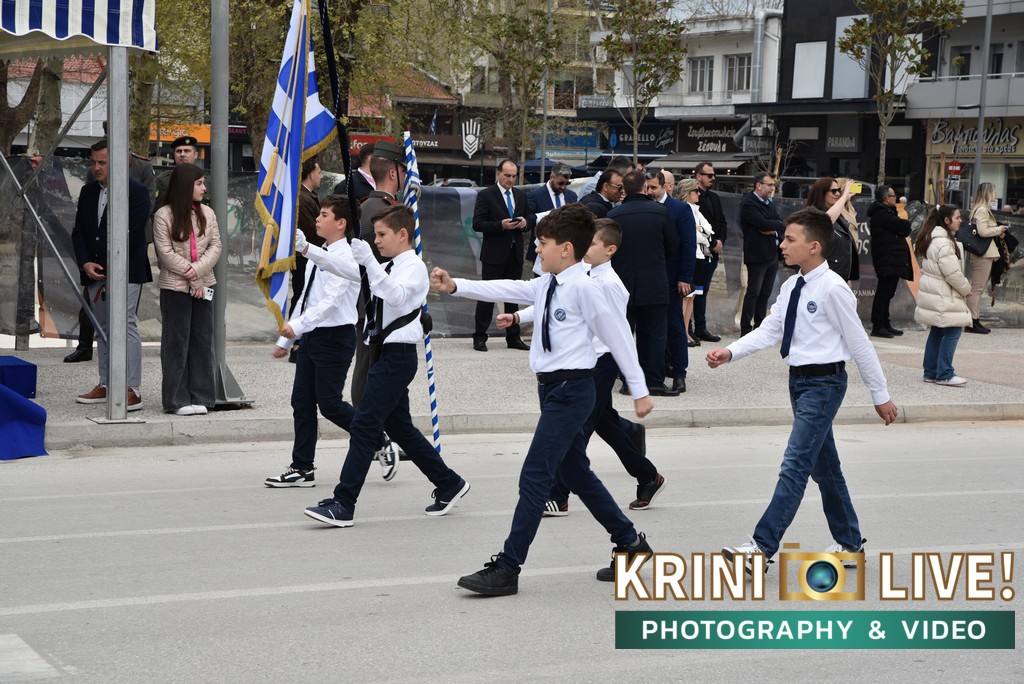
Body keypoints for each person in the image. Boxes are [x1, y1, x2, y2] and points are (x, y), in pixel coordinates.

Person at [430, 203, 654, 596]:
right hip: (550, 389)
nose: (536, 249)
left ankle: (508, 567)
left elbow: (619, 337)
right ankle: (631, 543)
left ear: (566, 249)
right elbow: (506, 287)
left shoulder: (587, 288)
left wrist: (639, 390)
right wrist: (455, 286)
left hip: (573, 390)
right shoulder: (549, 283)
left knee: (535, 476)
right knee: (576, 473)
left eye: (542, 243)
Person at [708, 207, 899, 575]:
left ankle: (760, 548)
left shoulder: (834, 288)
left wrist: (880, 394)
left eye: (789, 239)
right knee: (825, 469)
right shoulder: (792, 285)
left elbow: (859, 343)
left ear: (814, 247)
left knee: (795, 465)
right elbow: (770, 330)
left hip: (825, 384)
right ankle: (849, 543)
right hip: (799, 382)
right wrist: (730, 352)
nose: (782, 245)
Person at [300, 205, 469, 527]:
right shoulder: (388, 266)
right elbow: (346, 270)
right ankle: (449, 483)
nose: (376, 241)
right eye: (374, 235)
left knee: (364, 426)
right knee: (401, 428)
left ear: (402, 234)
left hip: (398, 357)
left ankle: (344, 503)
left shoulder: (412, 267)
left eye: (381, 234)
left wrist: (368, 264)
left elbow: (395, 297)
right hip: (384, 355)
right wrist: (308, 250)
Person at [508, 218, 662, 516]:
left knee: (575, 432)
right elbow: (549, 301)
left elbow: (617, 333)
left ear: (610, 250)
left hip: (601, 363)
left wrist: (636, 384)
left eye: (592, 243)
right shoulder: (583, 275)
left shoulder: (609, 284)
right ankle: (647, 475)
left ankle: (558, 495)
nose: (586, 248)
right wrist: (518, 317)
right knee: (602, 423)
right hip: (585, 362)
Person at [265, 195, 363, 486]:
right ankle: (302, 467)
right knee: (301, 402)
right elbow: (306, 298)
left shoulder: (347, 257)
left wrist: (298, 326)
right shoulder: (320, 252)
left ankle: (376, 436)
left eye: (324, 215)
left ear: (341, 223)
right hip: (313, 336)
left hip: (335, 336)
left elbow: (330, 303)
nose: (317, 219)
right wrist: (287, 339)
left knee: (330, 404)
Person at [72, 140, 152, 411]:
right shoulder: (87, 192)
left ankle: (132, 388)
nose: (96, 167)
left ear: (116, 163)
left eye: (102, 162)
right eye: (93, 162)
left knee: (126, 324)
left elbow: (132, 233)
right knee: (102, 327)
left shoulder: (136, 192)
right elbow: (79, 232)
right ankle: (107, 384)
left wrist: (105, 266)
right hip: (94, 271)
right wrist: (86, 263)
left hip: (127, 270)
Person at [152, 163, 221, 415]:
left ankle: (202, 396)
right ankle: (177, 400)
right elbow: (165, 253)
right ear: (184, 186)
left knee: (202, 340)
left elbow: (216, 246)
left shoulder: (208, 213)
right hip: (175, 288)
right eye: (199, 183)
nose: (204, 188)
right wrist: (193, 277)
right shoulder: (163, 215)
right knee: (176, 342)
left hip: (204, 286)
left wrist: (198, 273)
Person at [609, 170, 680, 396]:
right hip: (654, 281)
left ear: (624, 189)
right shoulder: (660, 212)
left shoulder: (614, 215)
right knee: (655, 335)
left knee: (624, 335)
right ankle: (654, 381)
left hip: (623, 283)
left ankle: (628, 381)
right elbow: (673, 246)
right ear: (644, 188)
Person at [471, 159, 535, 352]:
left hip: (514, 253)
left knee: (512, 295)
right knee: (486, 295)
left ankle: (513, 337)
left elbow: (530, 218)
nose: (511, 179)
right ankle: (480, 337)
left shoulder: (520, 196)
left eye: (514, 176)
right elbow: (477, 224)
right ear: (498, 174)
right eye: (507, 175)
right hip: (494, 254)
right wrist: (501, 225)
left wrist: (525, 223)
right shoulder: (486, 195)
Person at [644, 168, 694, 394]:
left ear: (665, 187)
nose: (649, 191)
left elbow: (688, 245)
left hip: (673, 278)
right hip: (649, 277)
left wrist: (685, 277)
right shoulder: (645, 206)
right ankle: (657, 369)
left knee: (675, 325)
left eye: (653, 187)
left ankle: (680, 372)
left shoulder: (680, 209)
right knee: (652, 327)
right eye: (647, 187)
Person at [913, 205, 973, 387]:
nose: (960, 221)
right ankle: (945, 373)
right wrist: (966, 289)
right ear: (946, 220)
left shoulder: (932, 238)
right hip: (944, 294)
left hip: (937, 293)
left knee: (937, 331)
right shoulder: (944, 243)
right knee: (953, 330)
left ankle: (931, 372)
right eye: (957, 217)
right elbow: (953, 274)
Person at [739, 172, 784, 336]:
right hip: (757, 255)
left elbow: (780, 223)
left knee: (765, 293)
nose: (772, 188)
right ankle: (746, 329)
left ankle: (759, 327)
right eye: (769, 185)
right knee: (754, 292)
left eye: (774, 185)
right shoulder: (749, 203)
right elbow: (762, 223)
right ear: (759, 185)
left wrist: (774, 228)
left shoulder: (768, 203)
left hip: (772, 254)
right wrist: (774, 225)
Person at [867, 185, 913, 338]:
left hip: (890, 259)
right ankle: (878, 325)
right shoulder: (882, 214)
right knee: (884, 293)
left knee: (888, 293)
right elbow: (905, 226)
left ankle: (885, 323)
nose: (896, 198)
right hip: (886, 259)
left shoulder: (887, 212)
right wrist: (902, 225)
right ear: (886, 198)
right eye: (893, 195)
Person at [964, 182, 1009, 334]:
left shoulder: (980, 208)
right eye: (993, 191)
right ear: (987, 192)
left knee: (978, 288)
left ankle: (974, 320)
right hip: (983, 253)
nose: (995, 194)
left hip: (983, 253)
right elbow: (982, 231)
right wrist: (998, 229)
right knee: (977, 288)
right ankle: (972, 321)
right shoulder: (982, 209)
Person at [676, 178, 715, 348]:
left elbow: (709, 230)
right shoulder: (684, 208)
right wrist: (702, 235)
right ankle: (681, 333)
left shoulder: (696, 210)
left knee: (692, 296)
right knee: (685, 297)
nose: (698, 194)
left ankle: (685, 331)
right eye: (695, 191)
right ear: (687, 192)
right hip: (690, 255)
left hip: (700, 257)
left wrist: (702, 232)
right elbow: (692, 235)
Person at [693, 162, 726, 342]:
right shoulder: (692, 197)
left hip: (712, 253)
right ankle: (689, 328)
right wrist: (712, 242)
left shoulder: (714, 197)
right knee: (693, 291)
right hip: (698, 252)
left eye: (714, 175)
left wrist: (720, 241)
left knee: (703, 291)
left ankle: (700, 328)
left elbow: (722, 222)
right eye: (709, 175)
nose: (713, 178)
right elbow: (696, 225)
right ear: (699, 176)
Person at [526, 163, 578, 276]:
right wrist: (548, 215)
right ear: (551, 177)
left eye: (567, 183)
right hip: (543, 252)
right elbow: (528, 221)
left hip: (565, 252)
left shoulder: (572, 196)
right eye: (560, 183)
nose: (563, 187)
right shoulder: (535, 195)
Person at [803, 177, 856, 283]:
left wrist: (847, 276)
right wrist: (844, 196)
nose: (838, 194)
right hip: (820, 275)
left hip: (837, 274)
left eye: (839, 190)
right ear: (821, 193)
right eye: (833, 191)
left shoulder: (837, 215)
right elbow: (825, 222)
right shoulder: (812, 214)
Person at [290, 156, 324, 319]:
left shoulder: (308, 196)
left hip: (308, 254)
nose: (321, 176)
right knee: (301, 295)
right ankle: (293, 329)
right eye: (319, 172)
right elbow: (312, 232)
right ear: (311, 174)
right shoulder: (303, 199)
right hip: (304, 256)